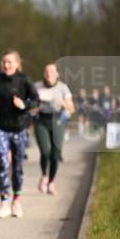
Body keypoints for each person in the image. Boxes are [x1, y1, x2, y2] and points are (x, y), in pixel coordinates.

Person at [0, 50, 39, 218]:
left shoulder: (24, 80)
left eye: (9, 62)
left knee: (17, 166)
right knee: (2, 162)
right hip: (1, 127)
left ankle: (16, 201)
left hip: (19, 128)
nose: (6, 65)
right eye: (3, 62)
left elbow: (36, 101)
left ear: (17, 63)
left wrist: (24, 104)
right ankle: (4, 201)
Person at [34, 62, 74, 196]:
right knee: (45, 151)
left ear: (57, 74)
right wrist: (36, 105)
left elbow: (71, 108)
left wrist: (59, 101)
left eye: (52, 72)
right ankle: (44, 176)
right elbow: (29, 106)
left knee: (55, 154)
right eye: (46, 72)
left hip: (57, 120)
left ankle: (51, 182)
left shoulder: (63, 88)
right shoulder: (37, 87)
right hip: (41, 120)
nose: (49, 74)